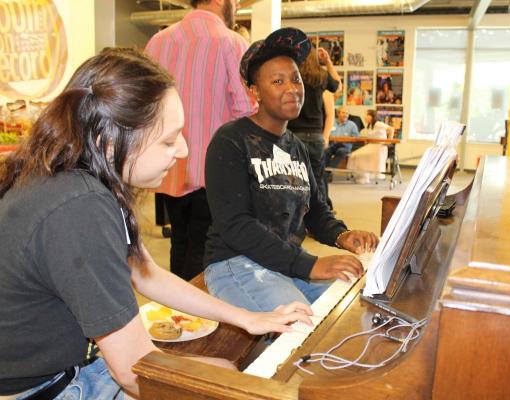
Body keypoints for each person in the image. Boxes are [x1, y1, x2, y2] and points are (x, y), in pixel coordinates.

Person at [0, 48, 311, 400]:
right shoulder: (80, 207)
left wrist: (247, 317)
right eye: (168, 139)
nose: (182, 151)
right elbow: (135, 372)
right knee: (228, 384)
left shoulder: (78, 177)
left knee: (222, 370)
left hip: (65, 365)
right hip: (45, 387)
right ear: (110, 140)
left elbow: (144, 271)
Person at [203, 28, 379, 313]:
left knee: (349, 309)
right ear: (255, 91)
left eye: (295, 79)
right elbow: (236, 225)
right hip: (236, 264)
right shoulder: (230, 140)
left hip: (283, 263)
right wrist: (309, 265)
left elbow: (315, 210)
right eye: (277, 81)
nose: (292, 89)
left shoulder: (294, 146)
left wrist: (341, 235)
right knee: (303, 325)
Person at [145, 0, 256, 281]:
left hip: (168, 168)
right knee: (208, 248)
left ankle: (178, 316)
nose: (237, 5)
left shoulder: (158, 42)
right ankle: (198, 319)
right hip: (215, 171)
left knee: (179, 240)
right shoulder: (232, 43)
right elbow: (247, 109)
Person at [287, 47, 341, 206]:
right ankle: (321, 216)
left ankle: (297, 215)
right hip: (316, 135)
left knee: (294, 179)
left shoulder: (293, 77)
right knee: (317, 178)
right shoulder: (322, 77)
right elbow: (337, 85)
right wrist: (329, 62)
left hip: (294, 134)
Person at [347, 110, 395, 184]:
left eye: (367, 115)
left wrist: (388, 141)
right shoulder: (370, 125)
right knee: (354, 155)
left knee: (358, 155)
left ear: (372, 116)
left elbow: (391, 129)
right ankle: (363, 176)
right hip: (372, 146)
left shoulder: (378, 124)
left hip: (379, 147)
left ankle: (364, 176)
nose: (365, 117)